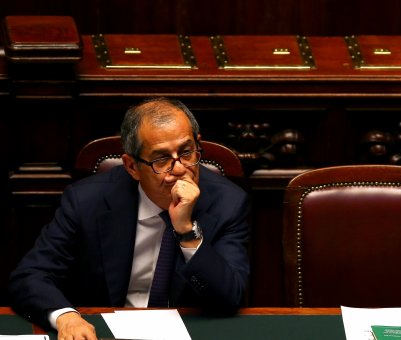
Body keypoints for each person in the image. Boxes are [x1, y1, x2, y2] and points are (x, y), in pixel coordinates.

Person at [9, 97, 250, 340]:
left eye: (186, 152)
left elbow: (230, 298)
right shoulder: (87, 201)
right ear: (132, 166)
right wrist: (66, 317)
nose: (179, 169)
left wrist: (187, 231)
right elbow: (31, 276)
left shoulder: (227, 203)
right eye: (161, 159)